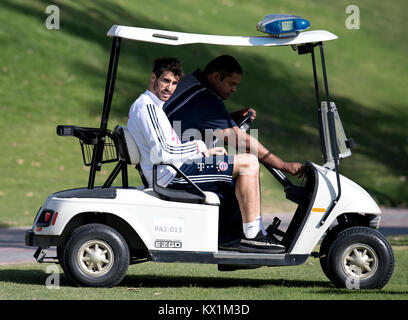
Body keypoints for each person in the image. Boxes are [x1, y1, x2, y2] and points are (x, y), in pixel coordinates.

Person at [127, 57, 285, 254]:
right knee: (248, 163)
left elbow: (170, 146)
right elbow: (163, 152)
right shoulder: (147, 107)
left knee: (236, 169)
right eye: (165, 81)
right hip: (172, 176)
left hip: (175, 170)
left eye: (174, 83)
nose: (169, 88)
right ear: (153, 78)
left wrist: (208, 150)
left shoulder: (155, 107)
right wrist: (200, 147)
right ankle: (253, 236)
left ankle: (230, 237)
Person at [163, 55, 304, 176]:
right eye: (232, 84)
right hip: (177, 168)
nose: (234, 90)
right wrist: (283, 165)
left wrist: (229, 119)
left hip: (165, 161)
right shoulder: (207, 99)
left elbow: (196, 119)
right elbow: (243, 142)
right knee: (248, 166)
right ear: (216, 77)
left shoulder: (188, 81)